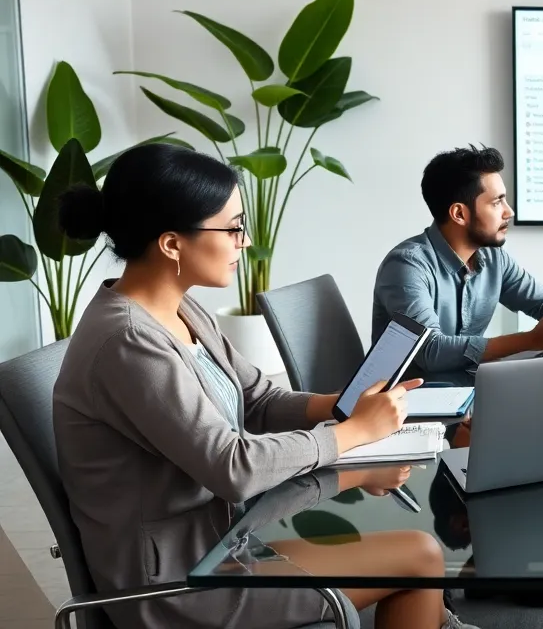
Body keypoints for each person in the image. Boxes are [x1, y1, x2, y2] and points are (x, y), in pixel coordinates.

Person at [52, 143, 476, 629]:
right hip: (178, 583)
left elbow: (258, 398)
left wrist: (343, 407)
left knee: (412, 548)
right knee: (419, 555)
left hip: (225, 541)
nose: (245, 241)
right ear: (171, 244)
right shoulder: (129, 341)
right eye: (232, 228)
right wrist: (354, 434)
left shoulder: (181, 309)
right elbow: (232, 465)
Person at [372, 146, 543, 385]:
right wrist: (531, 340)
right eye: (497, 203)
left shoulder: (495, 259)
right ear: (459, 214)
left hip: (468, 393)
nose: (509, 212)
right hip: (410, 405)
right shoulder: (407, 265)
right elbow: (430, 350)